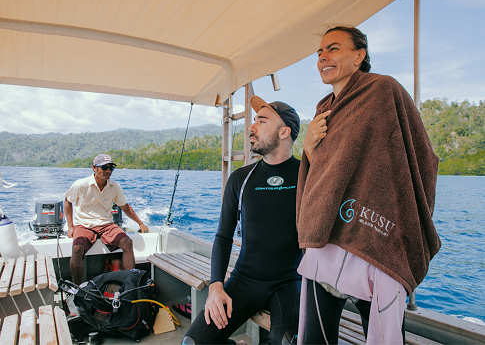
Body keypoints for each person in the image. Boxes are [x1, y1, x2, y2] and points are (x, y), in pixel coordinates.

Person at [296, 26, 441, 345]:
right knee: (314, 339)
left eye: (333, 48)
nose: (322, 57)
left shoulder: (384, 91)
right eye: (319, 52)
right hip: (326, 240)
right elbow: (322, 168)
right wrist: (307, 148)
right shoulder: (324, 108)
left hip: (374, 242)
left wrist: (404, 214)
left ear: (359, 55)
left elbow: (421, 155)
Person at [183, 96, 302, 345]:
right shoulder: (241, 178)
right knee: (192, 343)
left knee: (287, 342)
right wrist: (216, 286)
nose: (252, 126)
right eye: (254, 120)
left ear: (284, 131)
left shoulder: (307, 175)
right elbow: (223, 236)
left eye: (262, 120)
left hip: (290, 283)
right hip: (245, 280)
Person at [64, 154, 148, 284]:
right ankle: (78, 288)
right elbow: (67, 201)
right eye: (104, 167)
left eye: (111, 168)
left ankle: (130, 285)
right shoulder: (80, 185)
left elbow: (125, 207)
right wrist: (70, 226)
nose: (108, 171)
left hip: (107, 225)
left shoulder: (114, 187)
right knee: (77, 249)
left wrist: (140, 223)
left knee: (127, 242)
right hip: (84, 225)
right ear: (94, 168)